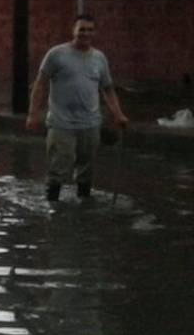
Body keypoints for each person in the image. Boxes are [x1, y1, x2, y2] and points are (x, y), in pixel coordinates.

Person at [26, 13, 128, 201]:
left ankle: (84, 203)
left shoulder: (99, 58)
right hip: (61, 123)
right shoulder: (56, 54)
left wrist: (118, 114)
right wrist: (33, 114)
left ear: (94, 33)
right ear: (73, 30)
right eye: (82, 29)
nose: (85, 33)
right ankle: (53, 206)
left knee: (86, 168)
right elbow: (40, 84)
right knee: (58, 166)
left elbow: (107, 89)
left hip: (90, 123)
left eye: (90, 30)